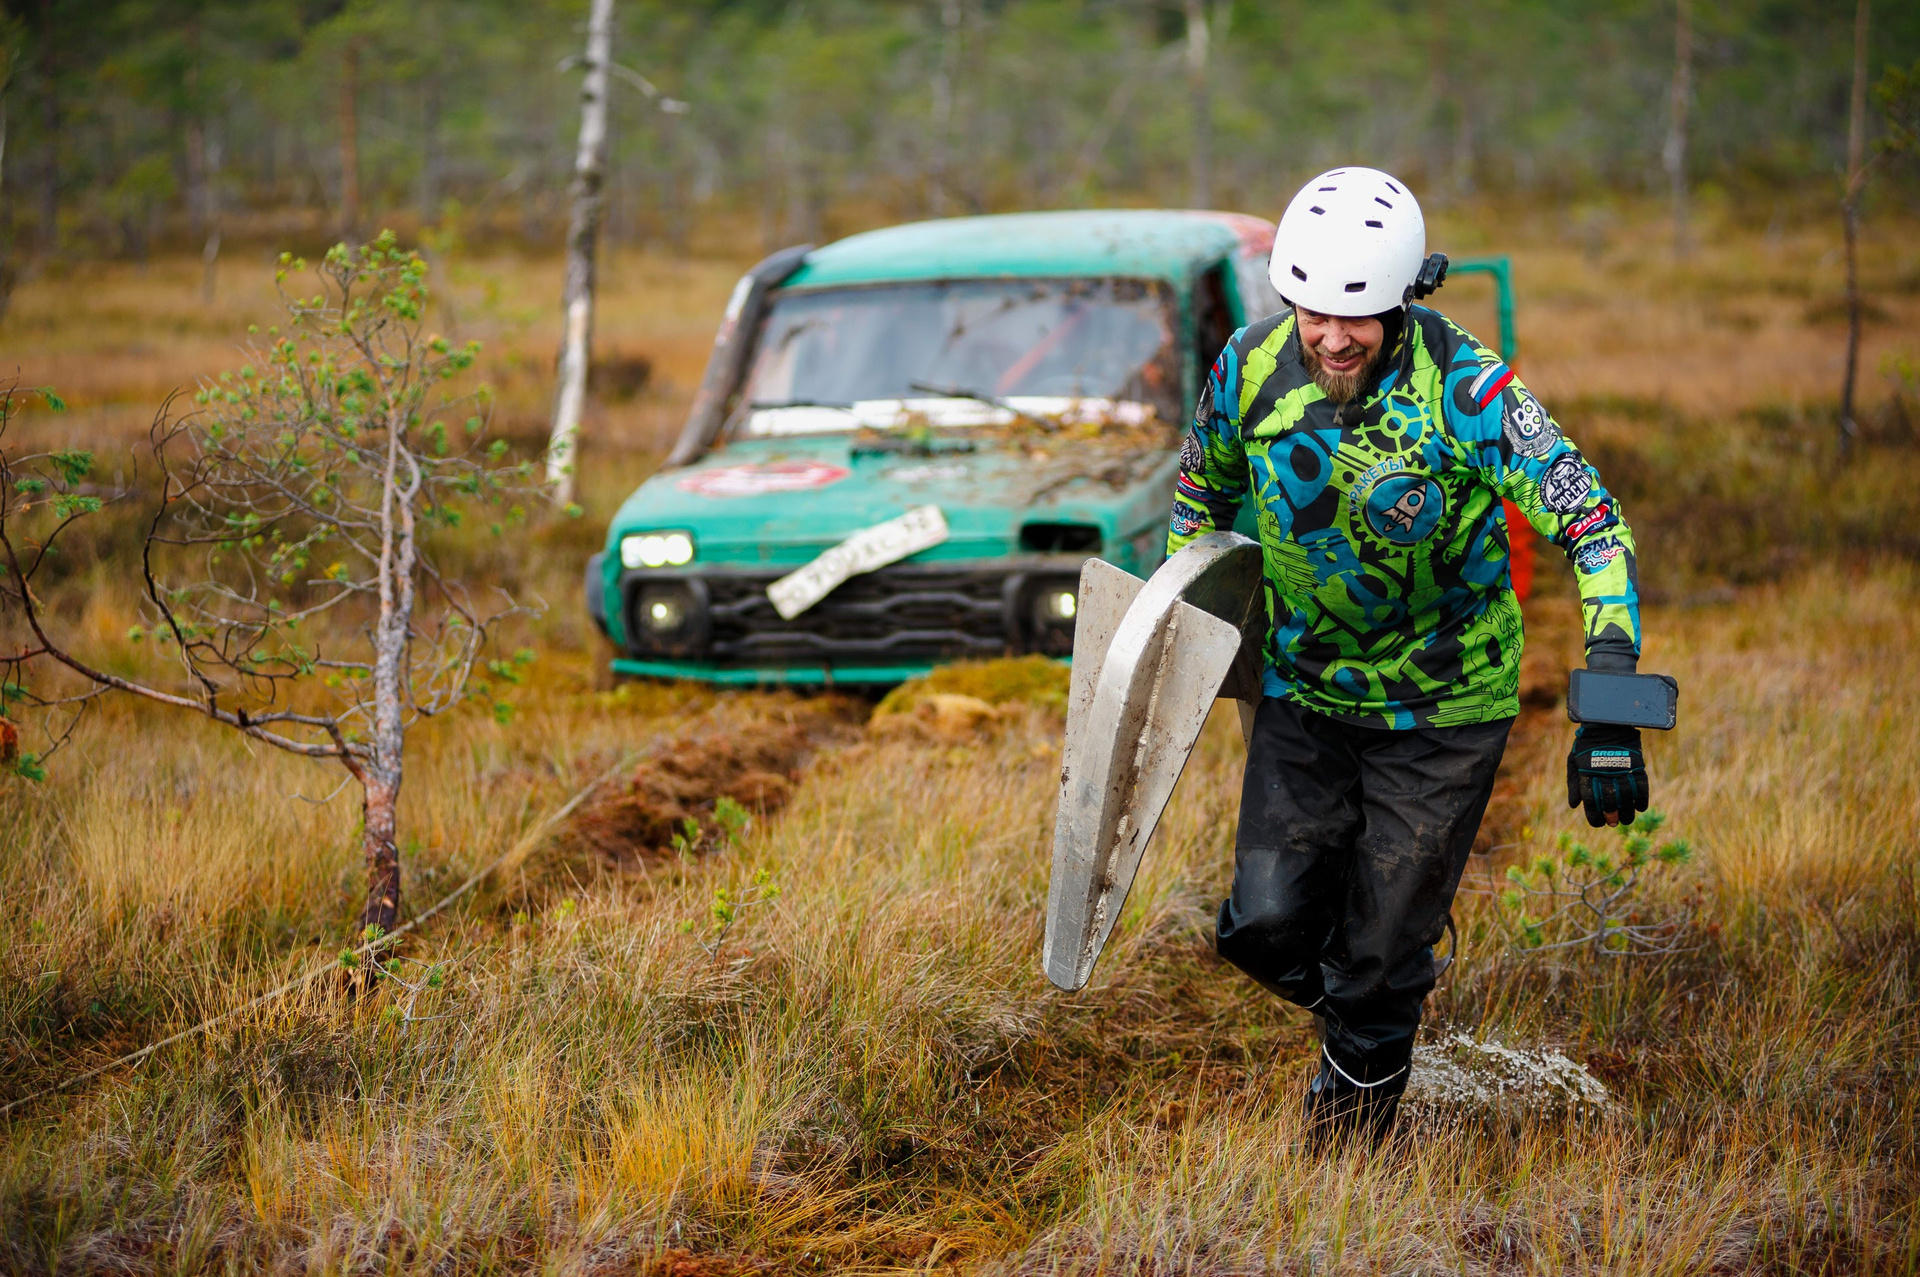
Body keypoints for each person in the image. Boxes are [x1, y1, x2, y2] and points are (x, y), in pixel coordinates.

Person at [1167, 167, 1649, 1144]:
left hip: (1445, 708)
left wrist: (1611, 693)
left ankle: (1347, 1151)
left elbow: (1594, 522)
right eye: (1314, 314)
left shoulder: (1471, 390)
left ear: (1405, 296)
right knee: (1263, 928)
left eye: (1359, 317)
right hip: (1304, 690)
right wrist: (1190, 622)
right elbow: (1200, 495)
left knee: (1381, 958)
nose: (1333, 338)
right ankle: (1382, 987)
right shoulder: (1248, 367)